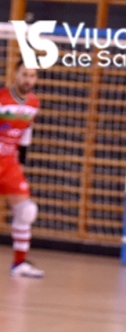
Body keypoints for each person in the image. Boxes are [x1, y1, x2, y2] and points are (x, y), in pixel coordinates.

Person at [2, 61, 43, 278]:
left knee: (27, 211)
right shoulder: (2, 99)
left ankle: (19, 264)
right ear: (15, 75)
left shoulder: (34, 103)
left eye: (32, 75)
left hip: (10, 163)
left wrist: (21, 163)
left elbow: (26, 132)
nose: (28, 79)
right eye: (24, 74)